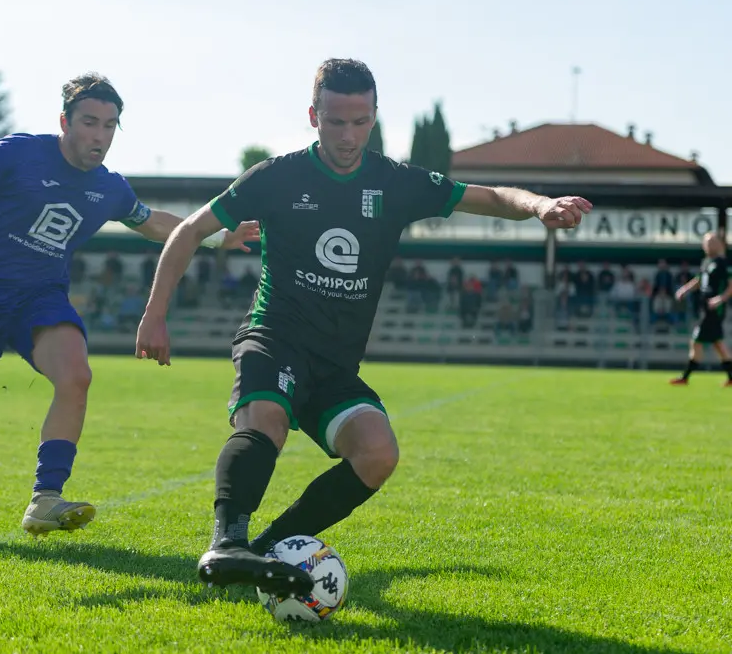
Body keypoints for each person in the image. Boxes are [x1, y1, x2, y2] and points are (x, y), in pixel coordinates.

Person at [134, 58, 593, 598]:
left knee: (378, 454)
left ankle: (267, 551)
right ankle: (226, 542)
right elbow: (190, 229)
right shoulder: (277, 176)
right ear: (314, 116)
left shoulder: (394, 182)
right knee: (267, 422)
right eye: (336, 122)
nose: (348, 136)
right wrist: (155, 313)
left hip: (334, 363)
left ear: (374, 117)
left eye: (360, 122)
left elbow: (487, 197)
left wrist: (540, 205)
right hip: (275, 337)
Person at [0, 73, 258, 536]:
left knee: (76, 376)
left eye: (109, 125)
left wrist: (216, 236)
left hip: (39, 300)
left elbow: (152, 224)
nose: (100, 135)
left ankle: (45, 498)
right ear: (64, 122)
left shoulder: (110, 188)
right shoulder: (18, 152)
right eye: (89, 122)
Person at [670, 232, 732, 386]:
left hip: (715, 309)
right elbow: (699, 280)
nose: (707, 245)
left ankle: (685, 377)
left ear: (719, 244)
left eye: (711, 242)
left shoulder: (723, 263)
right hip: (706, 308)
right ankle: (731, 377)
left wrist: (720, 299)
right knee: (718, 344)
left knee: (696, 340)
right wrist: (685, 289)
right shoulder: (707, 262)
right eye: (706, 242)